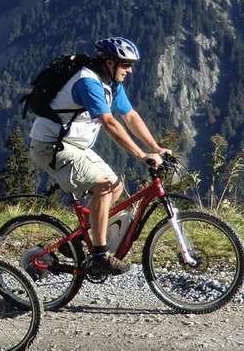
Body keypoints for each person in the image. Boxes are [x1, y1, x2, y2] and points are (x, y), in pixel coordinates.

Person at [28, 37, 169, 276]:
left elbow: (130, 116)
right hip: (52, 146)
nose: (130, 70)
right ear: (109, 62)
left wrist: (156, 147)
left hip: (72, 145)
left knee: (115, 187)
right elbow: (110, 123)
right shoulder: (88, 82)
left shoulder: (111, 83)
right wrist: (141, 155)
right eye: (126, 65)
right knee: (104, 187)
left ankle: (74, 242)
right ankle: (100, 256)